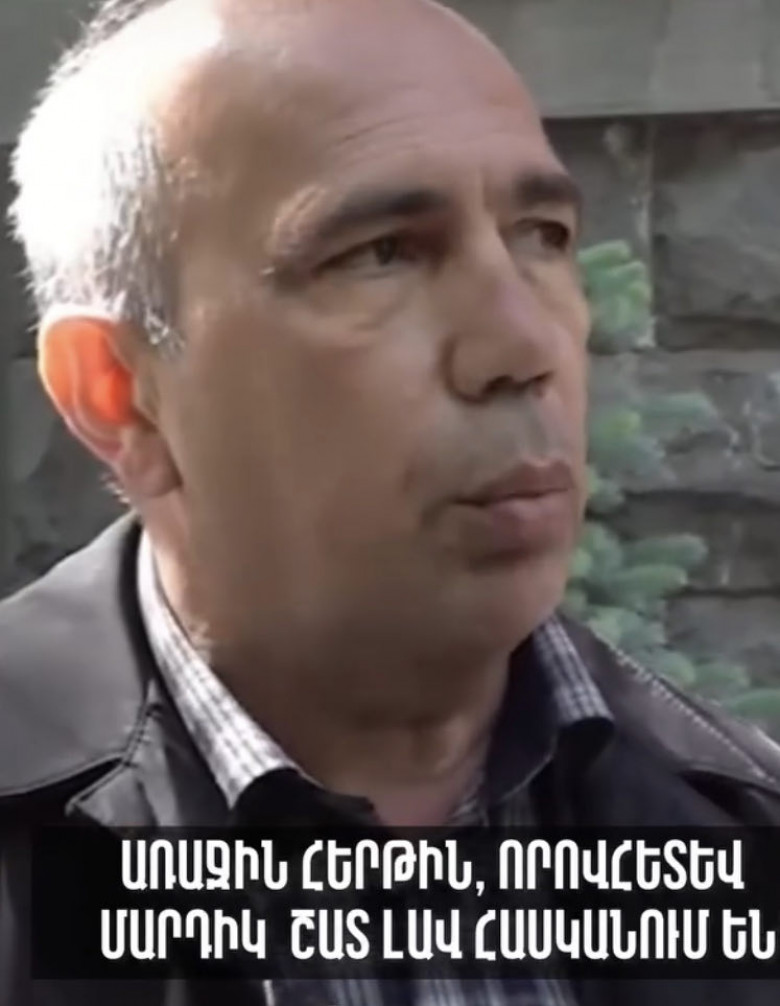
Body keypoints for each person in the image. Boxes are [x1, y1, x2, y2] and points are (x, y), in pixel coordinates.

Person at [1, 0, 779, 1003]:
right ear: (119, 393)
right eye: (382, 253)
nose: (522, 346)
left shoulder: (737, 823)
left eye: (542, 235)